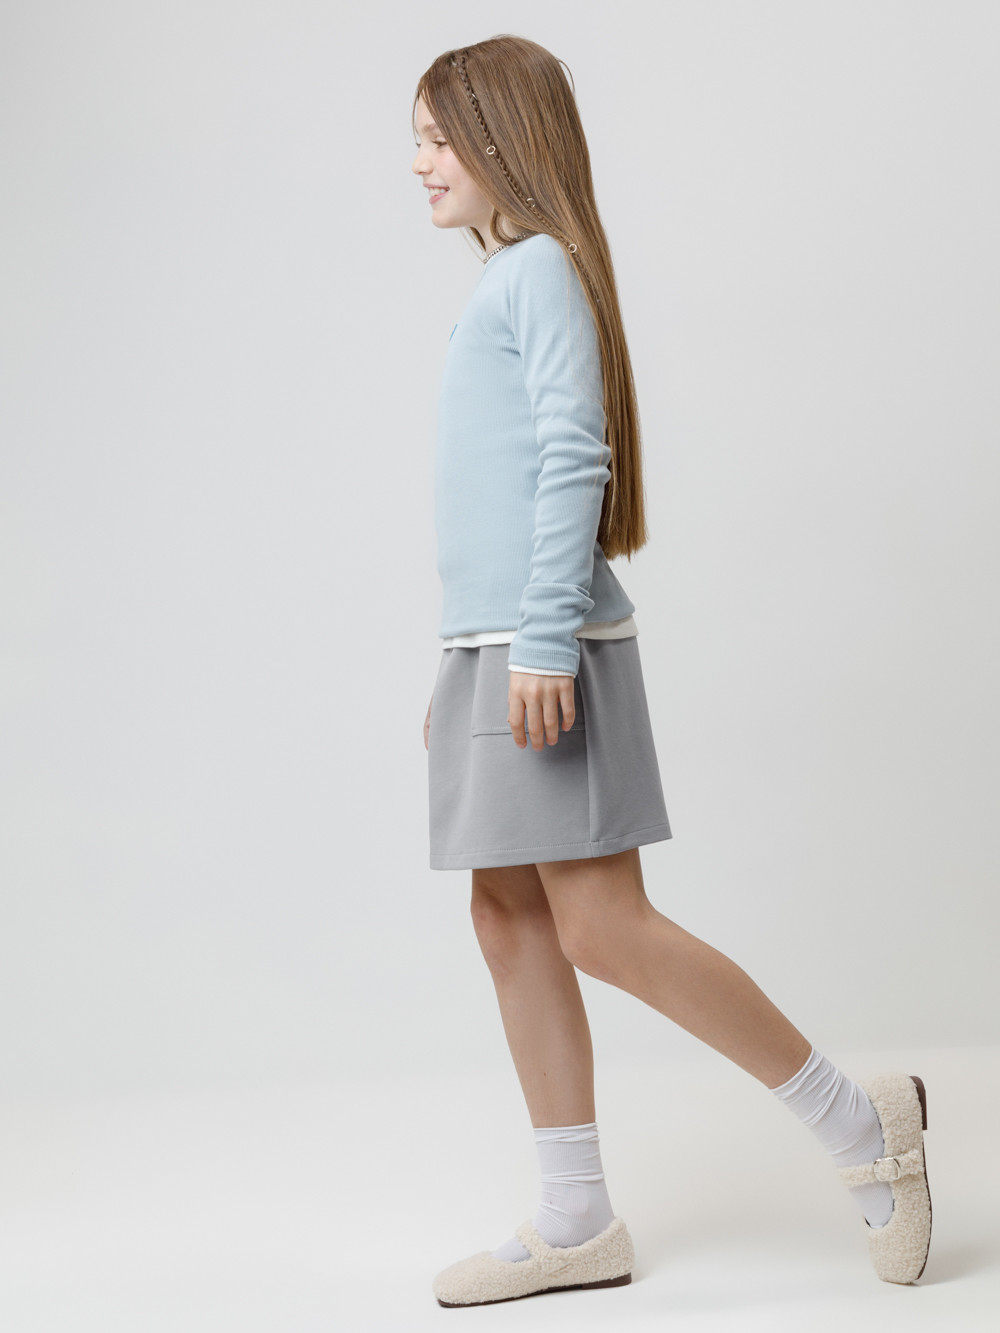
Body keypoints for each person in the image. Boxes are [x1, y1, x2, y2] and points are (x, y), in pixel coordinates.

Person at [412, 35, 932, 1309]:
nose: (418, 163)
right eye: (414, 141)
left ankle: (858, 1123)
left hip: (544, 646)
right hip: (493, 649)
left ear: (502, 136)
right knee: (506, 915)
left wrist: (539, 640)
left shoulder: (540, 269)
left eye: (435, 136)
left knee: (599, 923)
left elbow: (571, 455)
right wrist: (462, 666)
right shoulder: (508, 278)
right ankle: (576, 1216)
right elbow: (496, 494)